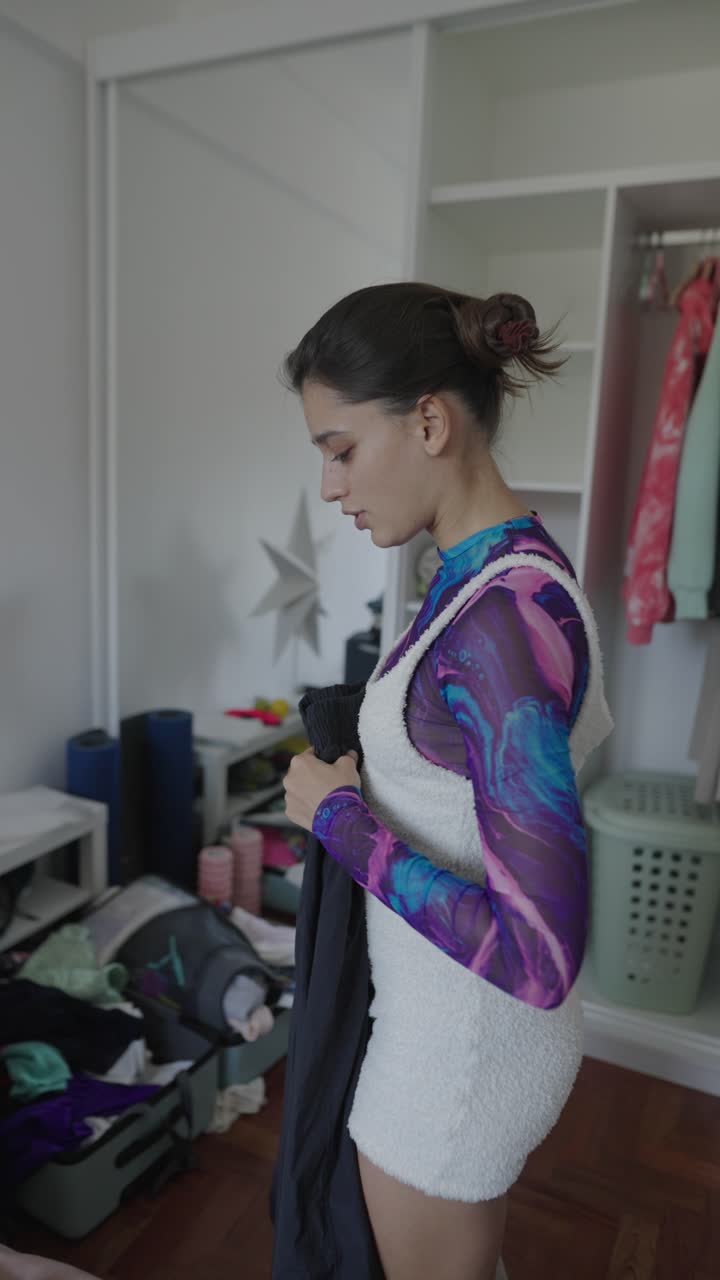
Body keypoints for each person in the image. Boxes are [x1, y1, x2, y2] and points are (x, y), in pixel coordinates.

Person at [282, 283, 613, 1280]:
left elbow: (540, 952)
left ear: (429, 419)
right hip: (450, 1025)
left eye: (340, 448)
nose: (333, 486)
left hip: (458, 1056)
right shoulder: (492, 569)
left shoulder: (500, 622)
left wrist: (340, 818)